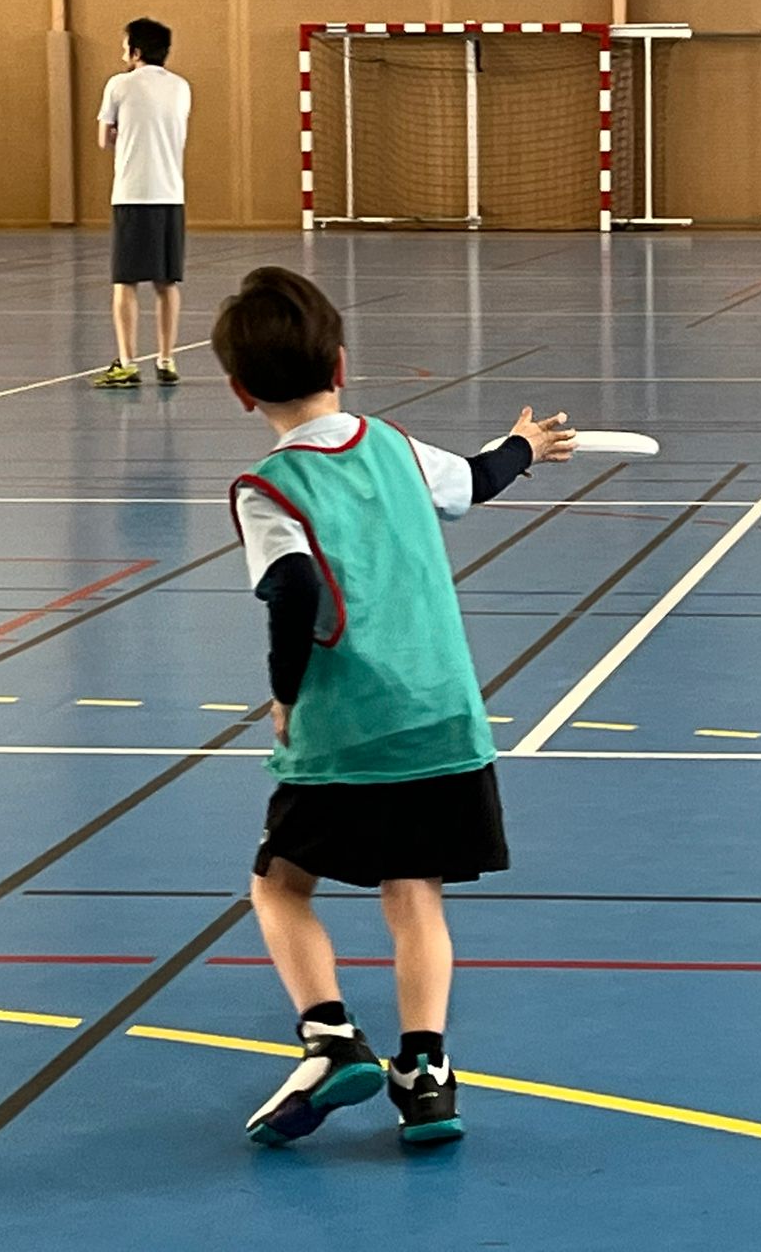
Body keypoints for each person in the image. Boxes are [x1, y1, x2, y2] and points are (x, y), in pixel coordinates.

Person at [214, 266, 577, 1146]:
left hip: (345, 731)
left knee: (280, 886)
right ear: (342, 362)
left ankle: (331, 1036)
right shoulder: (395, 445)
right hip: (444, 717)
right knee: (414, 891)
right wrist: (525, 442)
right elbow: (479, 480)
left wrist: (286, 695)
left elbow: (294, 589)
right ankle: (424, 1071)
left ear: (238, 390)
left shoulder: (266, 488)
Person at [94, 18, 191, 388]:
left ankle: (128, 362)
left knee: (126, 283)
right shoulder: (182, 87)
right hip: (171, 194)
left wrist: (122, 133)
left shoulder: (118, 85)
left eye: (125, 45)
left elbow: (104, 138)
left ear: (136, 51)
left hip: (132, 195)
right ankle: (167, 360)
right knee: (168, 284)